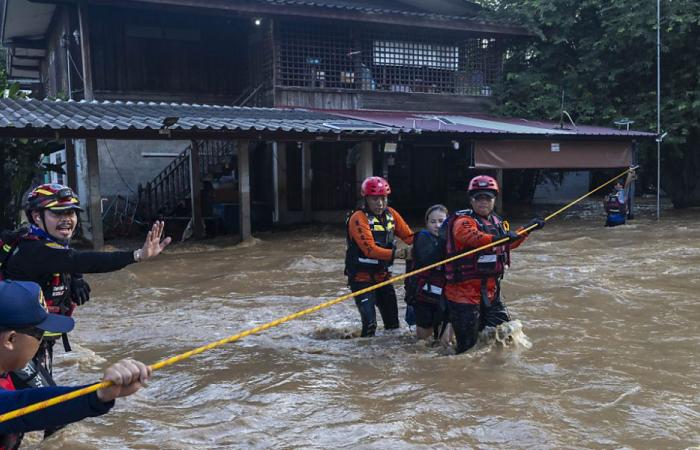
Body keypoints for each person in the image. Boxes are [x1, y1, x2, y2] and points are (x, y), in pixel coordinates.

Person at [0, 184, 169, 399]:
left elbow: (67, 259)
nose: (67, 219)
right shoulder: (31, 250)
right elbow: (78, 260)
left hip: (37, 342)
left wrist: (76, 279)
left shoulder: (48, 243)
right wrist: (136, 255)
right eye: (57, 213)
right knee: (50, 409)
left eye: (70, 213)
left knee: (32, 410)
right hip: (12, 346)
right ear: (36, 216)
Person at [0, 280, 151, 449]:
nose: (42, 340)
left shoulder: (9, 369)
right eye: (39, 332)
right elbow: (22, 405)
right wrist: (99, 394)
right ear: (11, 339)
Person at [442, 175, 544, 354]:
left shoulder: (496, 222)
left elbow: (508, 243)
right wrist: (499, 238)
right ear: (471, 199)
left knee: (507, 334)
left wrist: (527, 230)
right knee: (467, 349)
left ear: (494, 200)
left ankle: (497, 371)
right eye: (478, 198)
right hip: (464, 294)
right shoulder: (463, 221)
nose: (483, 202)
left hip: (490, 293)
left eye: (487, 198)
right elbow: (470, 237)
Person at [345, 176, 414, 337]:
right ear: (366, 199)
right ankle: (365, 356)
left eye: (383, 198)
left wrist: (431, 241)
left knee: (393, 326)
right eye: (375, 199)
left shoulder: (392, 215)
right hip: (361, 279)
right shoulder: (358, 218)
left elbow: (409, 237)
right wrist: (399, 254)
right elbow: (370, 250)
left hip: (383, 277)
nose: (380, 203)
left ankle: (386, 357)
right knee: (370, 325)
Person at [404, 204, 452, 343]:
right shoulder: (421, 238)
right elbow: (428, 259)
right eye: (433, 222)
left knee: (446, 342)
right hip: (424, 298)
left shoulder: (454, 241)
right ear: (427, 224)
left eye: (441, 221)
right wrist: (444, 240)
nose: (437, 225)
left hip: (446, 297)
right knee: (423, 343)